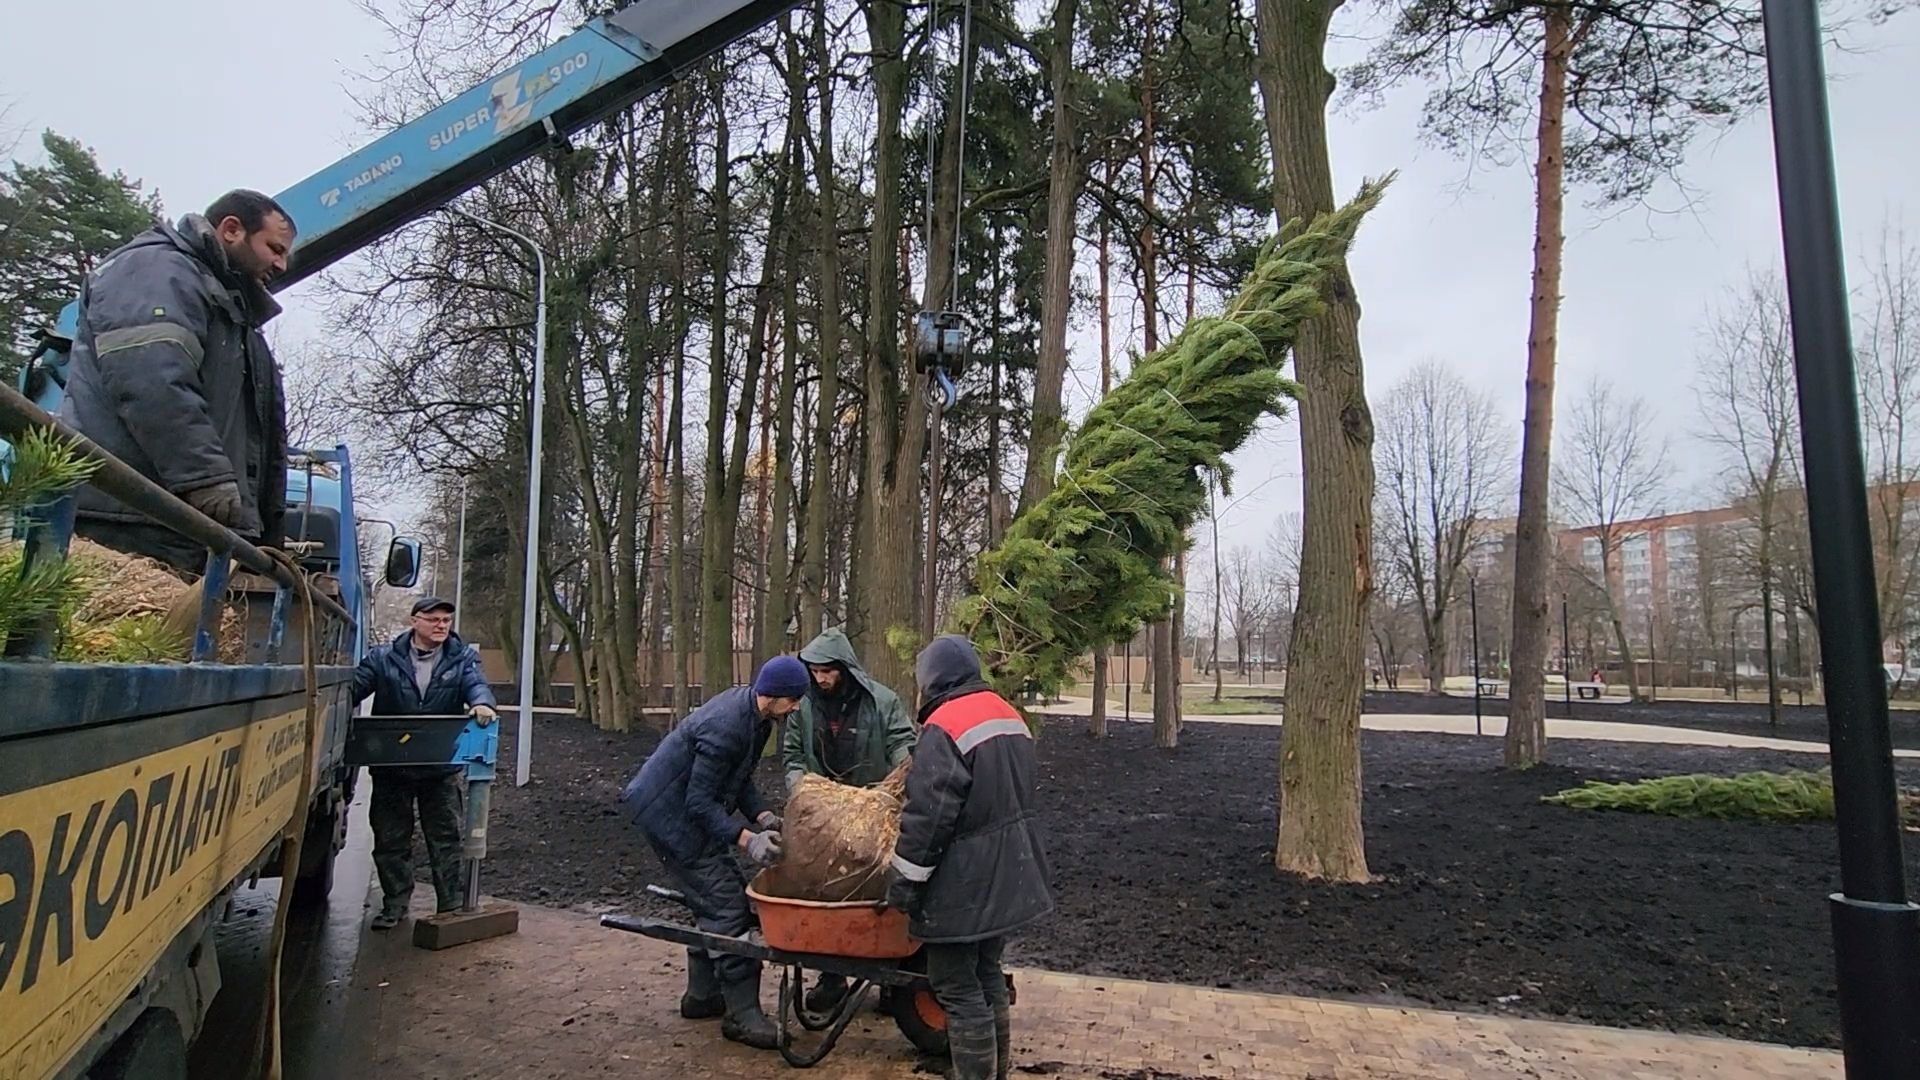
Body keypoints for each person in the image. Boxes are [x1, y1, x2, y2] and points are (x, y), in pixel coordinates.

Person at [60, 189, 297, 573]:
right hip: (128, 519)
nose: (281, 264)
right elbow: (151, 376)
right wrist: (205, 476)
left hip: (171, 517)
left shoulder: (227, 306)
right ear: (232, 229)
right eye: (275, 248)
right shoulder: (156, 270)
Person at [620, 657, 809, 1050]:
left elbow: (737, 780)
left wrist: (764, 816)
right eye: (794, 700)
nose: (796, 708)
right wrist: (747, 839)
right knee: (727, 906)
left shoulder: (756, 719)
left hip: (679, 809)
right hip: (667, 814)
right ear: (774, 695)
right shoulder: (727, 726)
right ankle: (743, 1018)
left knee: (713, 898)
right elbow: (699, 803)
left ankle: (703, 997)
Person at [887, 636, 1054, 1080]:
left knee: (955, 985)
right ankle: (996, 1072)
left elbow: (929, 817)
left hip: (965, 883)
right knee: (986, 974)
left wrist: (903, 884)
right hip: (1011, 871)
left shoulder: (946, 725)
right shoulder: (1007, 714)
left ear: (933, 680)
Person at [781, 627, 916, 1013]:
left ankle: (890, 976)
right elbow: (792, 756)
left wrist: (899, 783)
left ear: (845, 668)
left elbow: (900, 746)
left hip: (869, 811)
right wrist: (802, 792)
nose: (821, 678)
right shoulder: (803, 706)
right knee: (825, 891)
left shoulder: (881, 701)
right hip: (822, 817)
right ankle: (832, 976)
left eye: (828, 671)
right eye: (815, 671)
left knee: (877, 888)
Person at [350, 596, 498, 930]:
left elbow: (477, 686)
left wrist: (482, 703)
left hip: (439, 767)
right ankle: (394, 905)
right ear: (414, 621)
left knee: (445, 838)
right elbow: (353, 689)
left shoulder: (463, 659)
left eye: (446, 620)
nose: (442, 625)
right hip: (392, 767)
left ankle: (450, 905)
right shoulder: (383, 658)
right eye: (434, 620)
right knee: (390, 839)